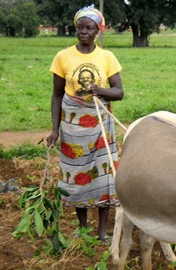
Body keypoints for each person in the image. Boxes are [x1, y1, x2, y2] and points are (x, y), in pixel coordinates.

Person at [46, 5, 123, 242]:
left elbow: (119, 92)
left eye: (89, 28)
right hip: (73, 127)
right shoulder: (63, 57)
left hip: (100, 126)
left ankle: (102, 231)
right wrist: (54, 130)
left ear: (98, 30)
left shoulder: (107, 57)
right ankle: (82, 228)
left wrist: (99, 90)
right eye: (80, 27)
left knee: (103, 177)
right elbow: (57, 95)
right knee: (77, 175)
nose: (84, 32)